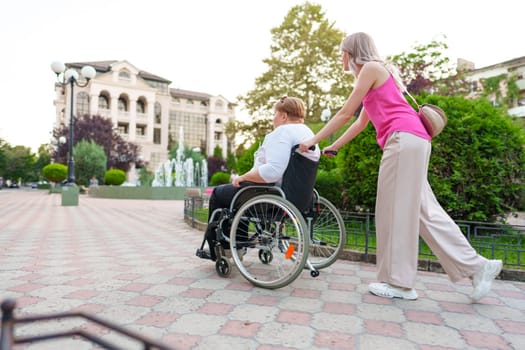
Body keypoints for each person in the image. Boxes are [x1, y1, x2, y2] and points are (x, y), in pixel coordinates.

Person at [299, 32, 501, 302]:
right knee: (423, 211)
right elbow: (360, 122)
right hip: (414, 140)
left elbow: (345, 112)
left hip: (402, 141)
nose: (340, 57)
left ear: (351, 51)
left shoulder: (370, 69)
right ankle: (477, 266)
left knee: (394, 211)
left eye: (342, 51)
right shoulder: (381, 74)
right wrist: (336, 146)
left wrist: (312, 139)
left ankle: (400, 284)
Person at [199, 96, 320, 261]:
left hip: (271, 196)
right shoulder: (308, 133)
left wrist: (243, 177)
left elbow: (272, 171)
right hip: (299, 198)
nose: (273, 119)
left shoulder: (283, 131)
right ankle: (237, 243)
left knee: (219, 194)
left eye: (275, 114)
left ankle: (222, 249)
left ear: (284, 116)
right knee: (239, 194)